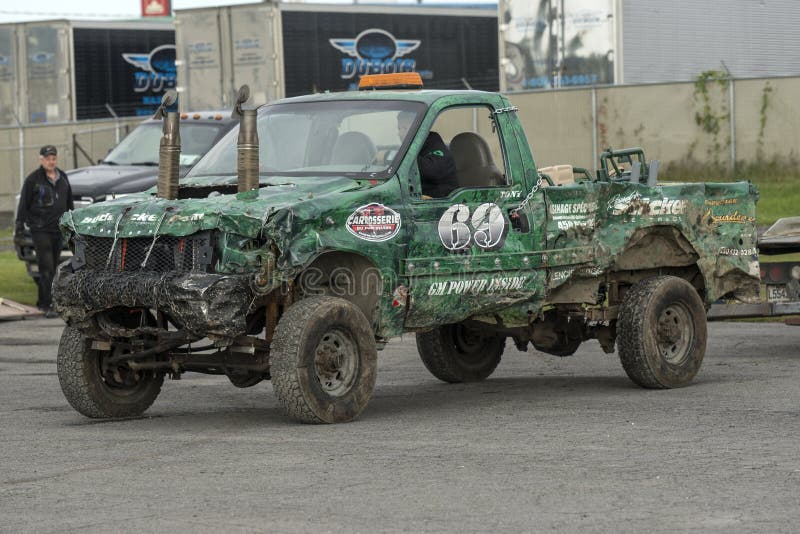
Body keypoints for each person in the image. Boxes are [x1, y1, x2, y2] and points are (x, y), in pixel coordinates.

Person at [15, 145, 73, 318]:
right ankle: (45, 304)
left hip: (57, 230)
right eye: (48, 158)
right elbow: (23, 204)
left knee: (54, 266)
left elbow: (69, 203)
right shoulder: (33, 180)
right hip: (39, 229)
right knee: (46, 266)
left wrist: (71, 223)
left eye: (53, 158)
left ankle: (48, 301)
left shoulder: (63, 178)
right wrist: (19, 226)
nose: (51, 161)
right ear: (41, 159)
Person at [396, 111, 458, 198]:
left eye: (405, 128)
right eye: (399, 129)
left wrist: (394, 157)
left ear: (418, 128)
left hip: (442, 202)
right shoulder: (412, 148)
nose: (400, 133)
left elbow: (433, 170)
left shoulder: (433, 142)